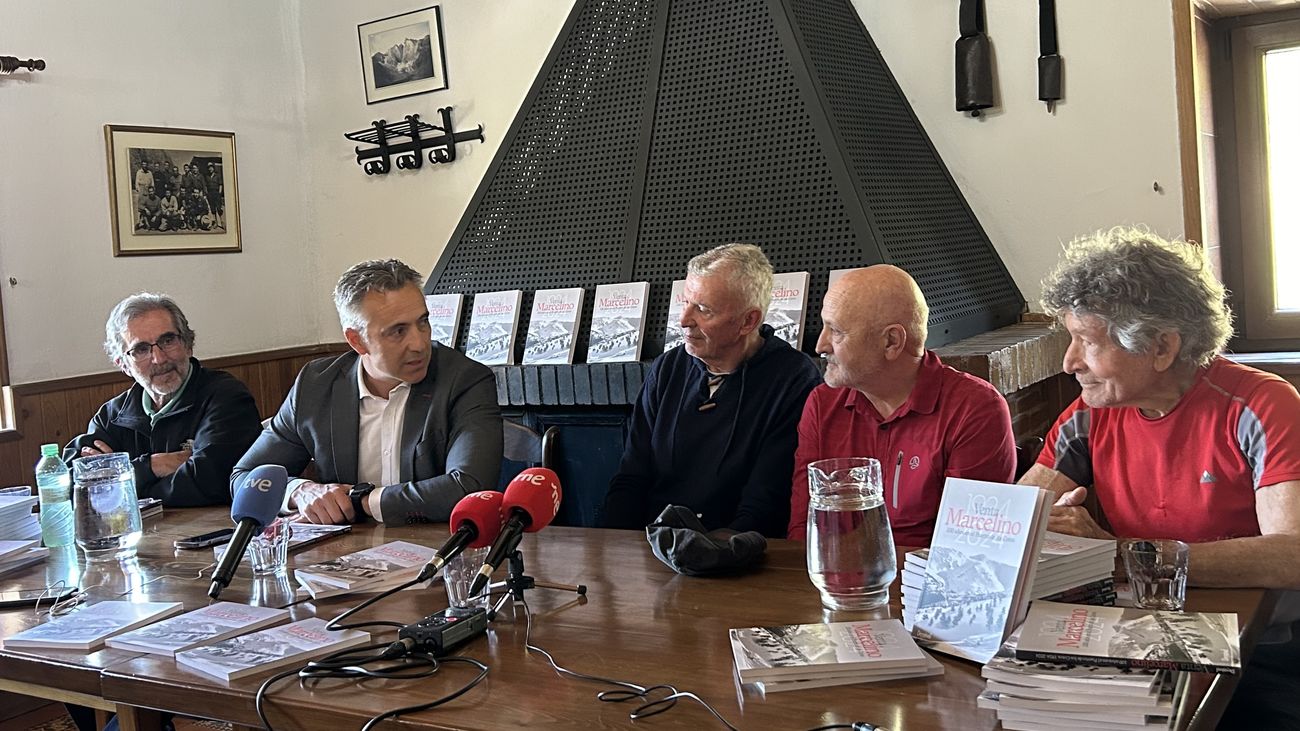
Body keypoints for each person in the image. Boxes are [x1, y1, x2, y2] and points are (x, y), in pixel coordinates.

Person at [1022, 227, 1300, 728]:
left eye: (1086, 340)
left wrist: (1117, 554)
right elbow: (1010, 522)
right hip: (1142, 640)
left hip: (1266, 654)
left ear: (1161, 347)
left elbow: (1292, 554)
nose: (1069, 363)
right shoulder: (1088, 417)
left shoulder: (1259, 405)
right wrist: (1038, 530)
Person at [232, 259, 503, 525]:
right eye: (398, 331)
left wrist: (360, 501)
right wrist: (301, 491)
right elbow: (245, 477)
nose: (420, 343)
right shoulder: (316, 385)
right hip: (340, 556)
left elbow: (469, 487)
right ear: (356, 340)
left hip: (438, 551)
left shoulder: (465, 380)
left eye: (423, 322)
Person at [602, 244, 821, 537]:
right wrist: (610, 547)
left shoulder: (793, 378)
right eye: (686, 302)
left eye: (703, 309)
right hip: (652, 545)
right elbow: (631, 476)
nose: (684, 320)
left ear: (748, 321)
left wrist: (710, 557)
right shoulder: (668, 368)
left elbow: (766, 502)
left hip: (738, 555)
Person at [788, 266, 1015, 546]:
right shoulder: (823, 403)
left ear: (891, 342)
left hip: (927, 584)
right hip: (835, 579)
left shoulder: (975, 409)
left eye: (835, 331)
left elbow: (967, 548)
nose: (820, 345)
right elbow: (803, 529)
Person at [65, 294, 262, 507]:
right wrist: (151, 466)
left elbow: (213, 483)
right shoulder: (112, 416)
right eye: (141, 349)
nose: (159, 358)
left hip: (212, 534)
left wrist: (115, 483)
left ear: (188, 344)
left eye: (167, 341)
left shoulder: (226, 396)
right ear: (123, 365)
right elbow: (68, 487)